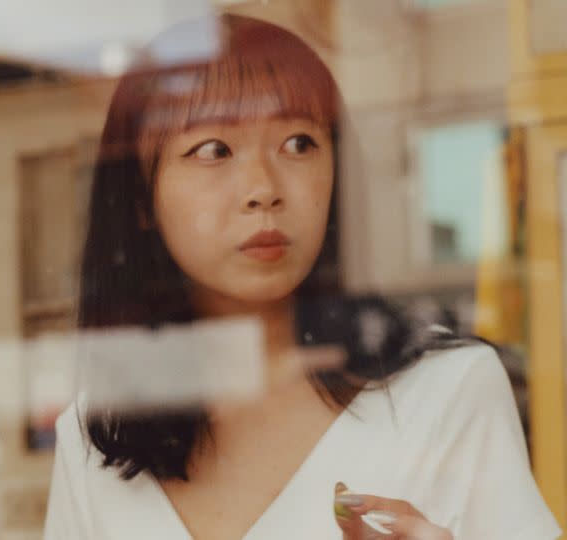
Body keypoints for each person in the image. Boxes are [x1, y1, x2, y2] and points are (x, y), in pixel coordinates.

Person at [43, 14, 562, 540]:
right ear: (140, 200)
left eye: (298, 143)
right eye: (213, 150)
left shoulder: (450, 391)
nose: (263, 188)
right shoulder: (97, 436)